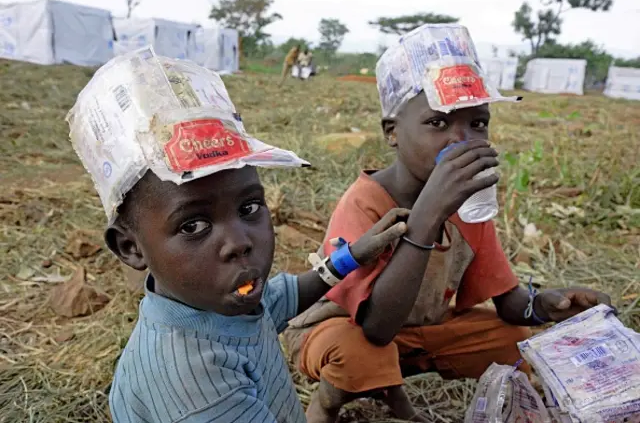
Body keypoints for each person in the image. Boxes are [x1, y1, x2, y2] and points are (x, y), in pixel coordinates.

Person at [282, 24, 613, 423]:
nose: (463, 141)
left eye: (477, 124)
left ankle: (396, 381)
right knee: (356, 350)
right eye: (438, 123)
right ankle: (328, 405)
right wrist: (428, 215)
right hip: (348, 328)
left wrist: (546, 305)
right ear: (392, 132)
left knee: (512, 340)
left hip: (420, 333)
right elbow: (375, 326)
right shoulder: (365, 202)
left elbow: (508, 302)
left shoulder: (468, 204)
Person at [66, 50, 409, 423]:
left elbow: (285, 297)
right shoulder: (195, 383)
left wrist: (354, 254)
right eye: (192, 226)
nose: (240, 242)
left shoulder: (221, 302)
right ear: (131, 248)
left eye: (248, 209)